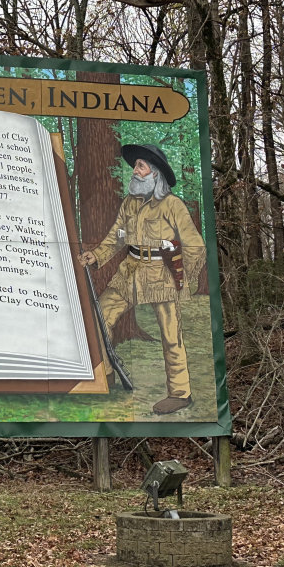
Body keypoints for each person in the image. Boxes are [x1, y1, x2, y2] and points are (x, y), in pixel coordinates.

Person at [78, 144, 205, 415]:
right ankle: (107, 374)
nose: (134, 171)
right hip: (130, 271)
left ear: (155, 174)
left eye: (140, 167)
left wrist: (186, 277)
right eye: (135, 166)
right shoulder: (130, 203)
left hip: (162, 275)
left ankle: (180, 393)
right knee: (100, 318)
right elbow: (117, 237)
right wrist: (96, 256)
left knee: (171, 336)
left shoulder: (173, 205)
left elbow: (195, 245)